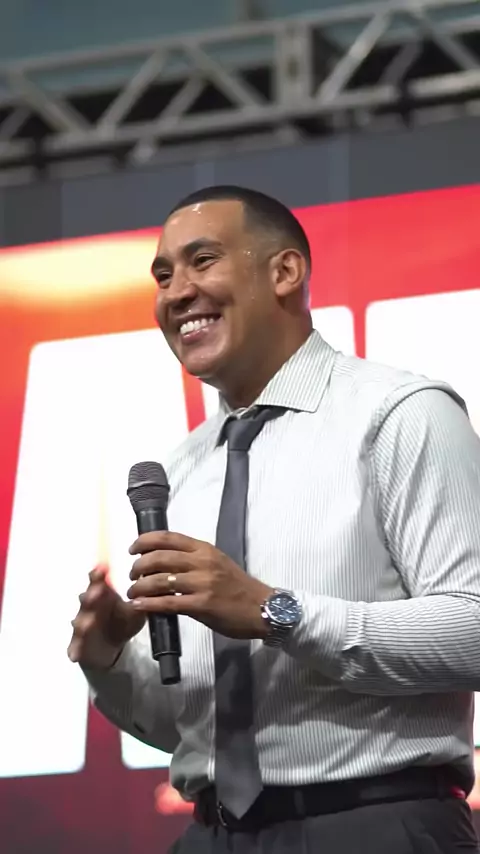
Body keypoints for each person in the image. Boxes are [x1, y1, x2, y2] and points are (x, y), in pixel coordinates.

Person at [68, 185, 480, 854]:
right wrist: (109, 661)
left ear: (285, 271)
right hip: (211, 834)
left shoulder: (399, 414)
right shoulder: (181, 471)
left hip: (376, 826)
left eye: (202, 260)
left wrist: (274, 611)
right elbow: (192, 732)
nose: (176, 293)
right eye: (163, 276)